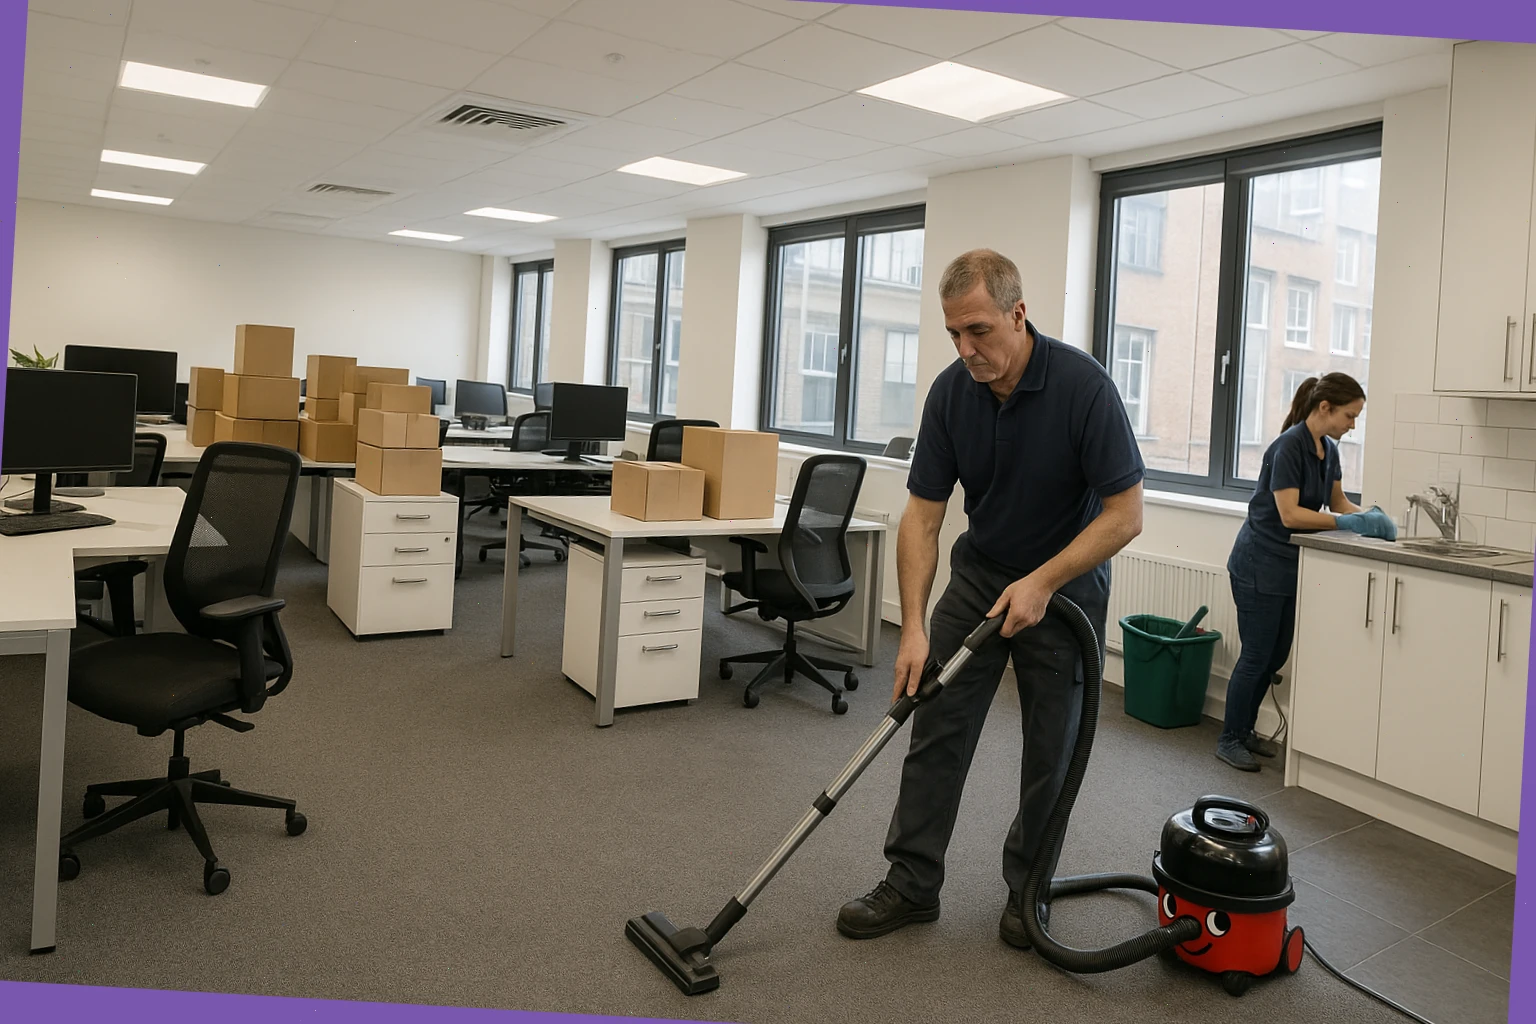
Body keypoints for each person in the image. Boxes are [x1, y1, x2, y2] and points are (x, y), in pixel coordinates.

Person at [835, 249, 1145, 949]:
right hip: (980, 576)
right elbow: (922, 518)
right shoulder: (951, 394)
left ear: (1018, 313)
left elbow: (1126, 515)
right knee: (935, 720)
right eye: (954, 333)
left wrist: (1043, 581)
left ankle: (1029, 890)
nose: (966, 349)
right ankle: (912, 883)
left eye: (978, 330)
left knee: (1051, 748)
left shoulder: (1083, 388)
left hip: (1064, 588)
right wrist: (912, 628)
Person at [1218, 372, 1395, 773]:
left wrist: (1370, 516)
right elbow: (1290, 514)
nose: (1353, 425)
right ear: (1325, 407)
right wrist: (1347, 524)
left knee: (1275, 656)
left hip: (1287, 566)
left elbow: (1338, 502)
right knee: (1256, 655)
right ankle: (1229, 738)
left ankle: (1244, 731)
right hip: (1258, 563)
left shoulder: (1328, 450)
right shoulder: (1288, 447)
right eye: (1350, 416)